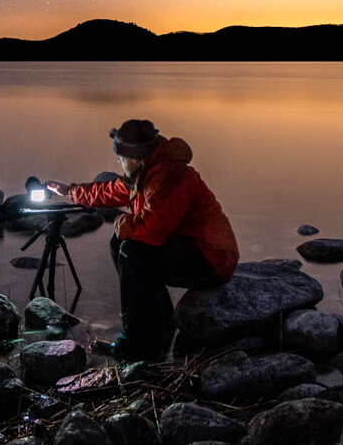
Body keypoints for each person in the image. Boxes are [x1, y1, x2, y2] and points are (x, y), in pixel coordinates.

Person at [47, 118, 238, 361]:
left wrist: (122, 222)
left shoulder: (170, 177)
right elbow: (110, 191)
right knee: (122, 244)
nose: (119, 162)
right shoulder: (147, 172)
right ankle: (161, 324)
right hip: (189, 247)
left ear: (135, 157)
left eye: (121, 158)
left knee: (133, 251)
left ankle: (137, 344)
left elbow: (151, 230)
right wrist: (70, 191)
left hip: (212, 260)